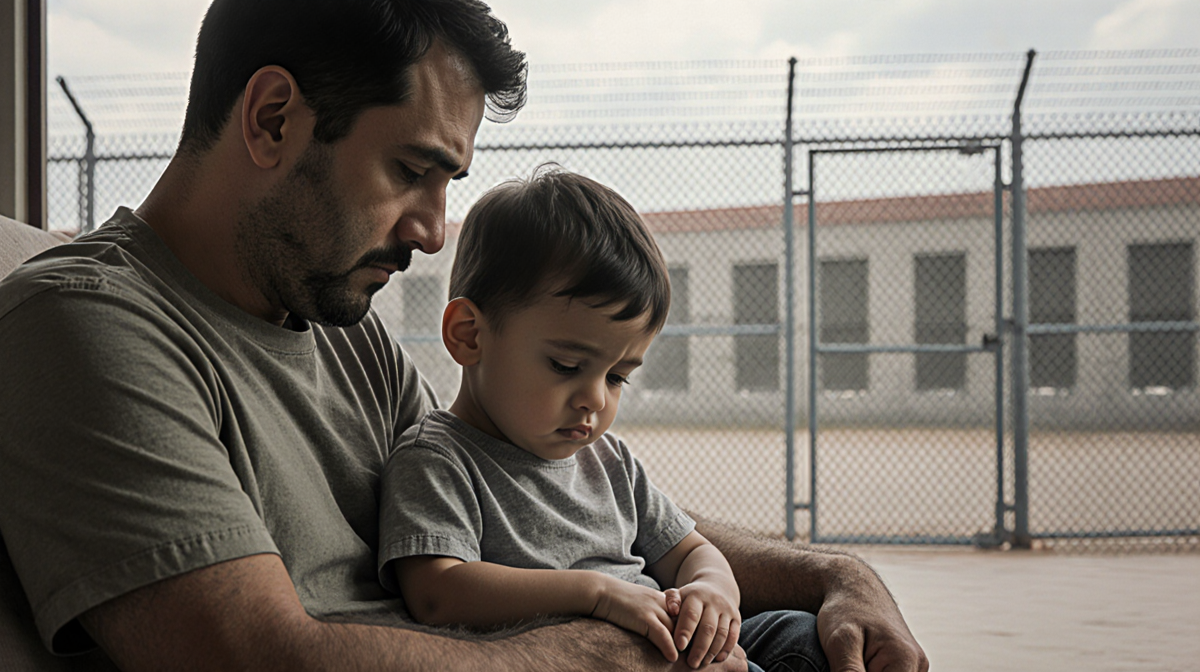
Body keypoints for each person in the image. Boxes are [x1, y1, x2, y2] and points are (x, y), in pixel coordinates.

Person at [0, 0, 928, 670]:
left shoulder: (333, 318)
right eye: (412, 170)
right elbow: (254, 656)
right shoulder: (87, 328)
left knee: (825, 647)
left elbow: (532, 488)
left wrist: (830, 574)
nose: (434, 231)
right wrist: (606, 646)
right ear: (274, 117)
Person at [378, 167, 830, 672]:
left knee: (807, 636)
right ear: (469, 335)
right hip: (586, 657)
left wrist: (712, 591)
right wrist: (597, 594)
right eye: (566, 366)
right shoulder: (437, 460)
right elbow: (438, 592)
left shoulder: (608, 461)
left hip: (671, 642)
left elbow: (690, 551)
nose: (594, 399)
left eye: (618, 377)